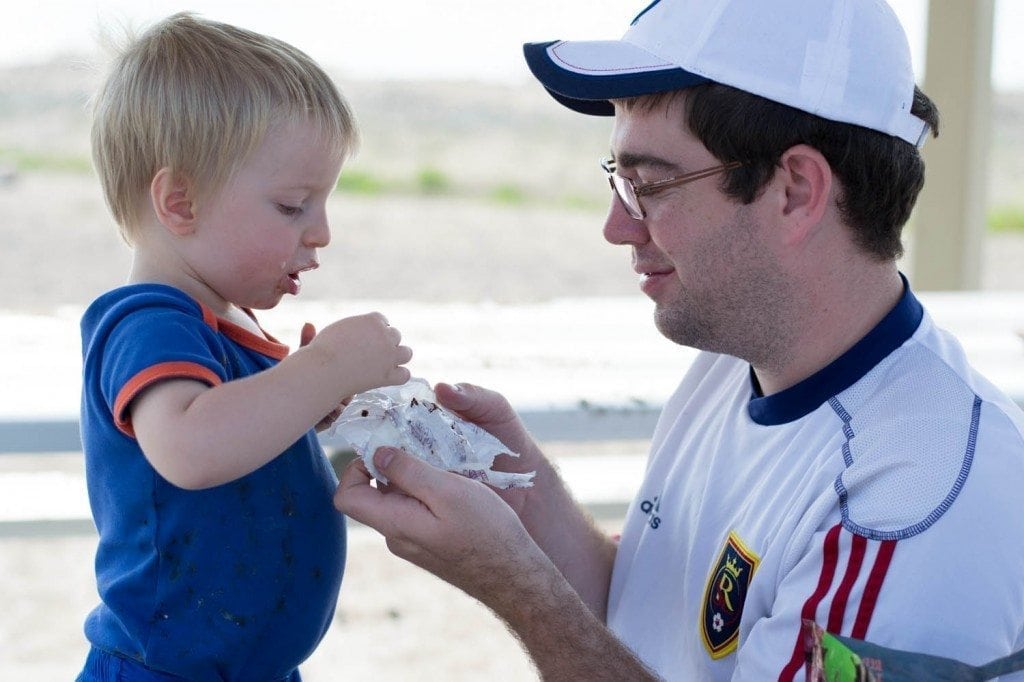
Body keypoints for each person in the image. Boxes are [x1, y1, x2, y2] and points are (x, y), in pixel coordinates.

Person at [335, 0, 1024, 679]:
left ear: (795, 190)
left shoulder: (916, 503)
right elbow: (651, 623)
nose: (617, 226)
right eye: (619, 179)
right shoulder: (735, 362)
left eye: (649, 184)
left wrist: (519, 589)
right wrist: (530, 504)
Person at [77, 13, 412, 681]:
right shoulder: (148, 323)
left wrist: (313, 407)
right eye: (293, 206)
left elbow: (239, 434)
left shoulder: (229, 336)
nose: (320, 233)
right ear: (180, 202)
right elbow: (193, 450)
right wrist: (322, 368)